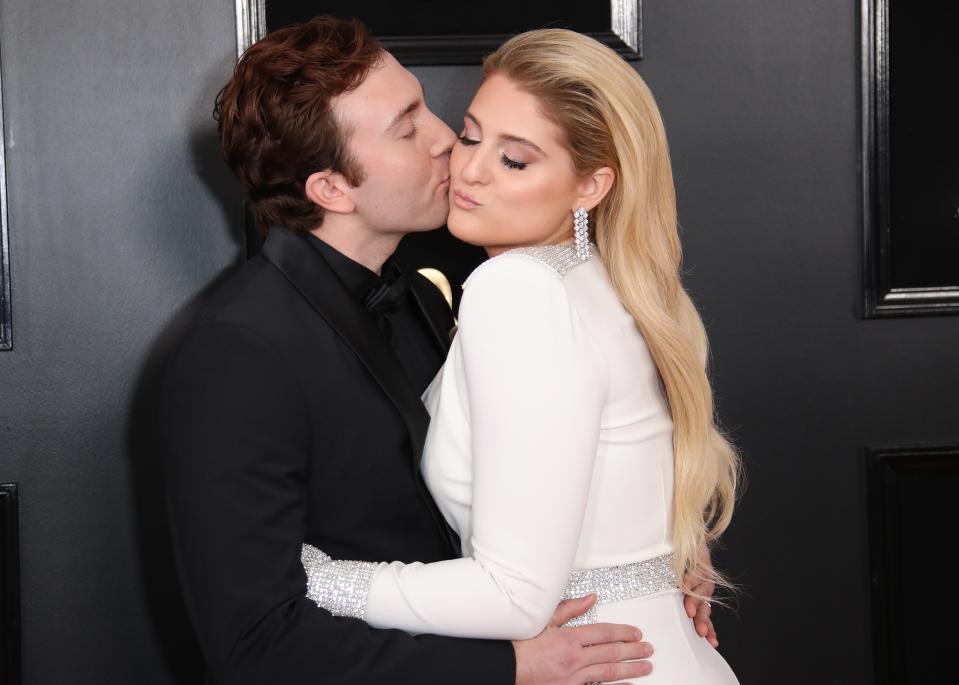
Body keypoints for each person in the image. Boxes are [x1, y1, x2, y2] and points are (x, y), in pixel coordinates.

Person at [160, 16, 704, 685]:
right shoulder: (236, 352)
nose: (448, 141)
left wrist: (652, 559)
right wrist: (502, 666)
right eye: (408, 125)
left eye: (427, 107)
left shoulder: (453, 282)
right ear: (330, 188)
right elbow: (255, 641)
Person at [297, 28, 742, 683]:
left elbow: (511, 594)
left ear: (589, 185)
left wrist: (317, 578)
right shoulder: (602, 279)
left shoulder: (517, 289)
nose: (469, 169)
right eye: (472, 136)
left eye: (516, 160)